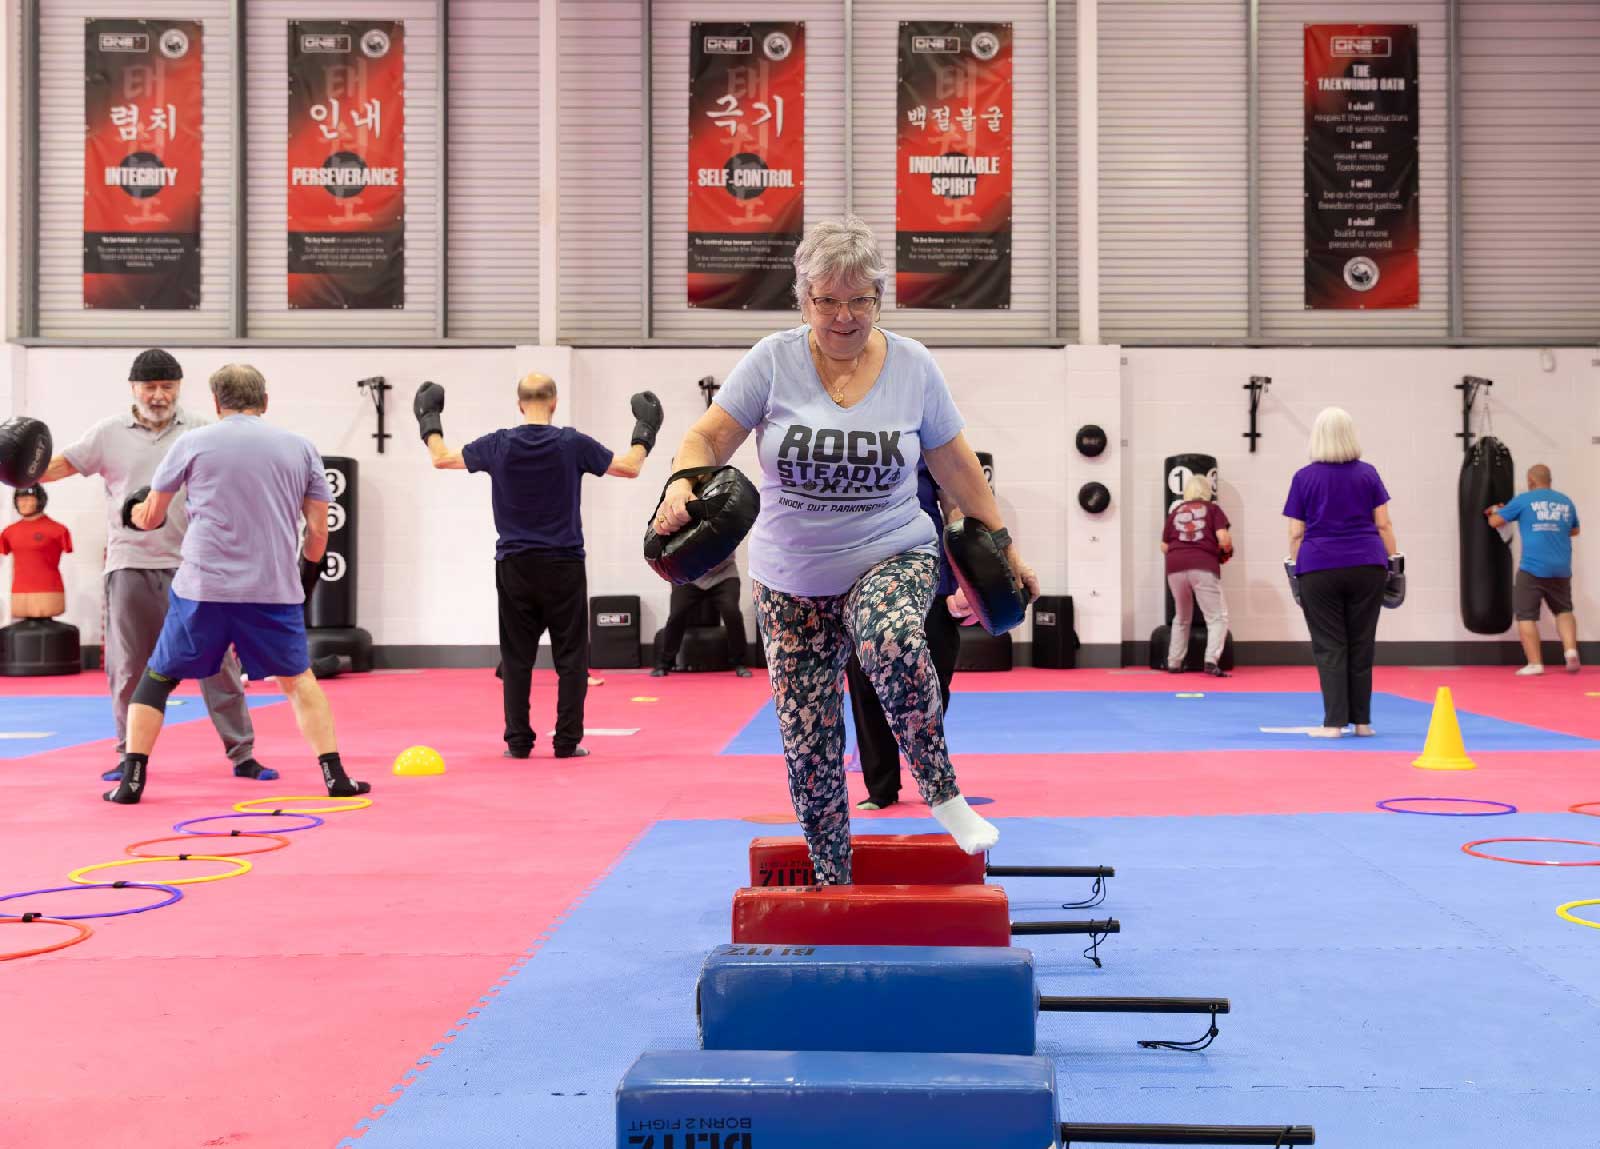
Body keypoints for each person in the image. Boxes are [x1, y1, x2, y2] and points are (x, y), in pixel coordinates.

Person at [654, 216, 1040, 884]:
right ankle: (832, 876)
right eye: (827, 300)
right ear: (803, 298)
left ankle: (944, 794)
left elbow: (957, 467)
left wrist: (1007, 550)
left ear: (878, 297)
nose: (843, 316)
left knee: (891, 638)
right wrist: (681, 482)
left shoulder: (913, 366)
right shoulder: (772, 360)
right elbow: (707, 438)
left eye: (859, 299)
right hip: (790, 579)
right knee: (810, 747)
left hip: (892, 549)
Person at [106, 364, 369, 804]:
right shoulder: (301, 447)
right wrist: (305, 579)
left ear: (216, 403)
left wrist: (130, 513)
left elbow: (150, 518)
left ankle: (131, 781)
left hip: (203, 588)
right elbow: (319, 531)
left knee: (157, 678)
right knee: (299, 681)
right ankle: (335, 776)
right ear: (264, 401)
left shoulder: (191, 442)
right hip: (272, 590)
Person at [34, 349, 270, 783]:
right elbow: (60, 466)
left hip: (196, 567)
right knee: (128, 667)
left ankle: (243, 754)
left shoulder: (201, 430)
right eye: (150, 387)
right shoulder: (107, 433)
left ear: (178, 388)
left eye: (167, 387)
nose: (159, 395)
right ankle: (129, 755)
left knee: (219, 665)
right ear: (133, 388)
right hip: (130, 564)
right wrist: (17, 469)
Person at [418, 373, 662, 759]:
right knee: (571, 659)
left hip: (515, 566)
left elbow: (441, 458)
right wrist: (645, 429)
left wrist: (429, 418)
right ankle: (566, 742)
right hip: (564, 565)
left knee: (517, 660)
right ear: (554, 402)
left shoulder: (498, 444)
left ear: (519, 404)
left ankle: (518, 743)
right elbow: (631, 467)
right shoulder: (572, 443)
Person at [847, 461, 966, 811]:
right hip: (863, 577)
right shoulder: (850, 449)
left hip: (930, 577)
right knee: (866, 684)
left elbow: (955, 511)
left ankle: (933, 777)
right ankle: (881, 786)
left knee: (934, 682)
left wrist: (966, 578)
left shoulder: (929, 447)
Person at [1284, 407, 1399, 738]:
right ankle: (1362, 722)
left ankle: (1334, 723)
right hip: (1367, 564)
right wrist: (1393, 561)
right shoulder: (1368, 474)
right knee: (1362, 642)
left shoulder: (1303, 477)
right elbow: (1383, 524)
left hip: (1319, 566)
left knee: (1329, 644)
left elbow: (1296, 533)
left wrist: (1297, 569)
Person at [1486, 464, 1581, 675]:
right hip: (1561, 568)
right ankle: (1571, 652)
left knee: (1526, 616)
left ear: (1531, 481)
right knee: (1564, 610)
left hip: (1532, 568)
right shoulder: (1565, 501)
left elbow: (1495, 522)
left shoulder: (1524, 500)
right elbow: (1574, 530)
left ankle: (1535, 664)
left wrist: (1494, 511)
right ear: (1549, 480)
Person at [1161, 473, 1233, 677]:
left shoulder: (1175, 512)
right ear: (1207, 491)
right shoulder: (1213, 509)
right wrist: (1226, 550)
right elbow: (1224, 538)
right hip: (1202, 565)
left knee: (1182, 616)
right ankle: (1211, 660)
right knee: (1217, 617)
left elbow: (1164, 546)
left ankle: (1174, 662)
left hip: (1175, 567)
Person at [651, 555, 753, 678]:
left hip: (723, 575)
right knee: (676, 614)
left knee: (732, 612)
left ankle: (740, 663)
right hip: (687, 577)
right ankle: (663, 664)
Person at [3, 485, 73, 618]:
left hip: (49, 593)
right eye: (20, 500)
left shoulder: (58, 530)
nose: (23, 504)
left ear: (40, 501)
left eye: (28, 499)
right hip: (19, 595)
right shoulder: (8, 532)